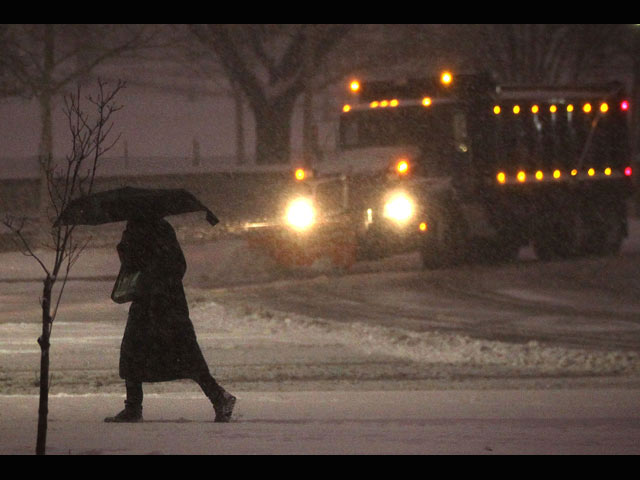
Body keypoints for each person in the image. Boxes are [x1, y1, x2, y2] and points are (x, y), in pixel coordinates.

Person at [104, 217, 236, 423]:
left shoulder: (145, 230)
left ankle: (134, 407)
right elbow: (174, 265)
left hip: (157, 302)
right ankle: (218, 398)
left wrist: (128, 248)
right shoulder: (160, 228)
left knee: (142, 351)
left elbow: (137, 264)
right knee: (170, 353)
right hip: (164, 302)